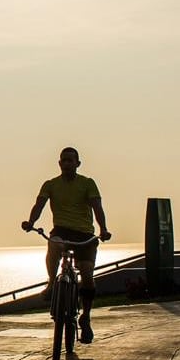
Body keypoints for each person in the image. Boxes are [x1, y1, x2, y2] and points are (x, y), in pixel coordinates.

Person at [21, 146, 112, 344]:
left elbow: (97, 207)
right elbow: (39, 205)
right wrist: (31, 222)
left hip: (84, 234)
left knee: (87, 273)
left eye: (71, 160)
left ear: (78, 164)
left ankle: (85, 316)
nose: (67, 163)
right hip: (61, 230)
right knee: (53, 243)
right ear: (59, 163)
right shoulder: (50, 185)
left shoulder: (87, 184)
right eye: (64, 160)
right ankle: (52, 283)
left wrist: (103, 229)